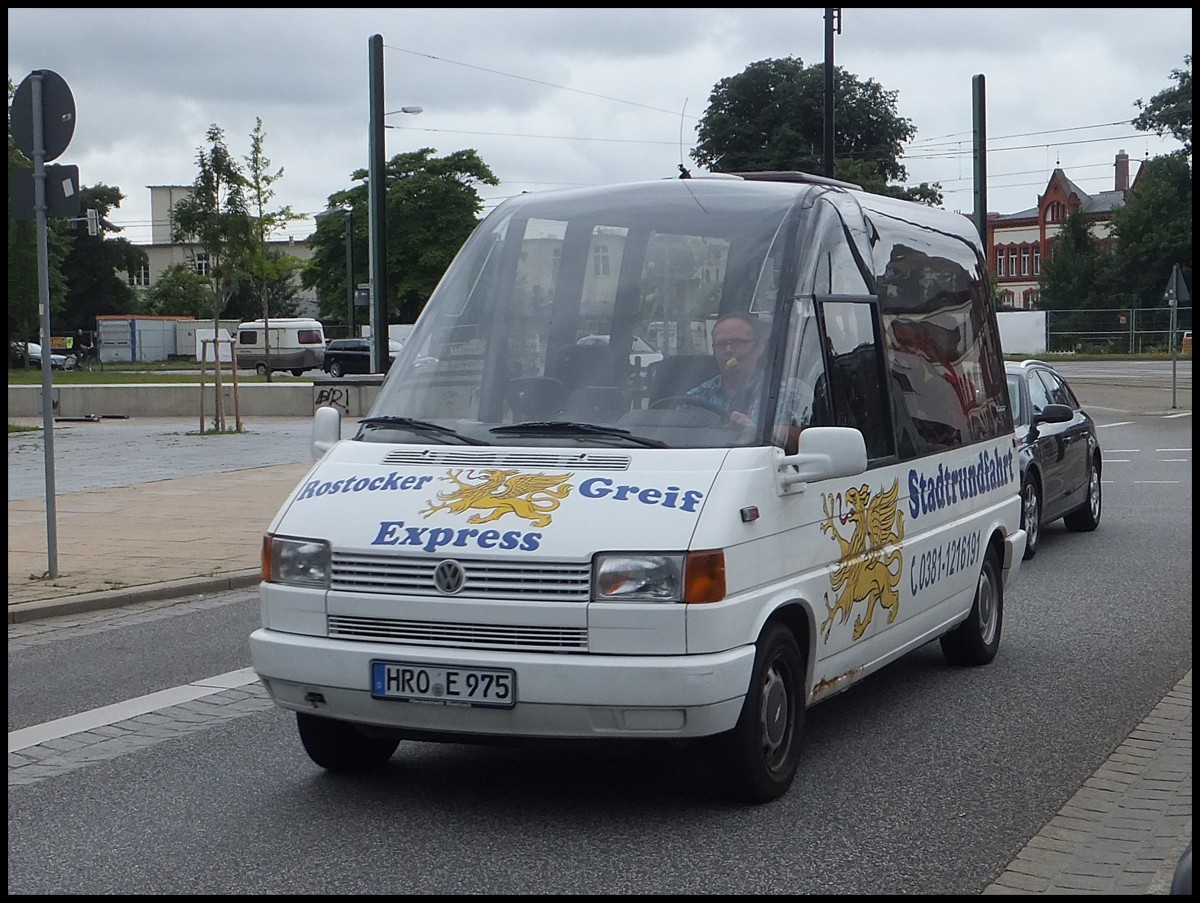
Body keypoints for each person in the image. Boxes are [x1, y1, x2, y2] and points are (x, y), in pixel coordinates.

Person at [686, 312, 769, 426]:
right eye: (721, 344)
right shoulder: (697, 397)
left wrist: (752, 431)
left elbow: (787, 434)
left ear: (760, 347)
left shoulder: (778, 397)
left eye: (738, 342)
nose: (728, 350)